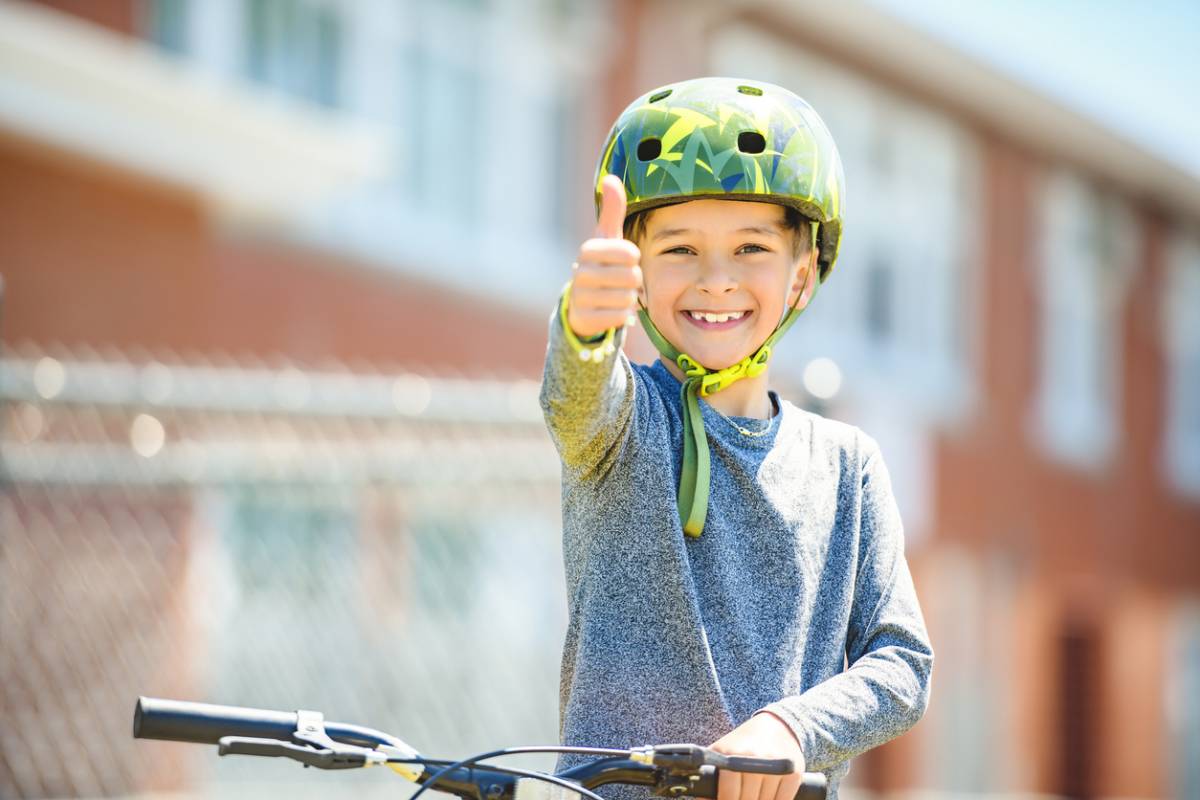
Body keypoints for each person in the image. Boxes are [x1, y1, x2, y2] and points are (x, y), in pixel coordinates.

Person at [539, 77, 933, 800]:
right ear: (636, 271)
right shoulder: (624, 423)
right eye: (680, 249)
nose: (715, 281)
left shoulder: (848, 468)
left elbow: (902, 665)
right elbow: (575, 397)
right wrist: (585, 328)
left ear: (802, 276)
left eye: (751, 247)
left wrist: (792, 728)